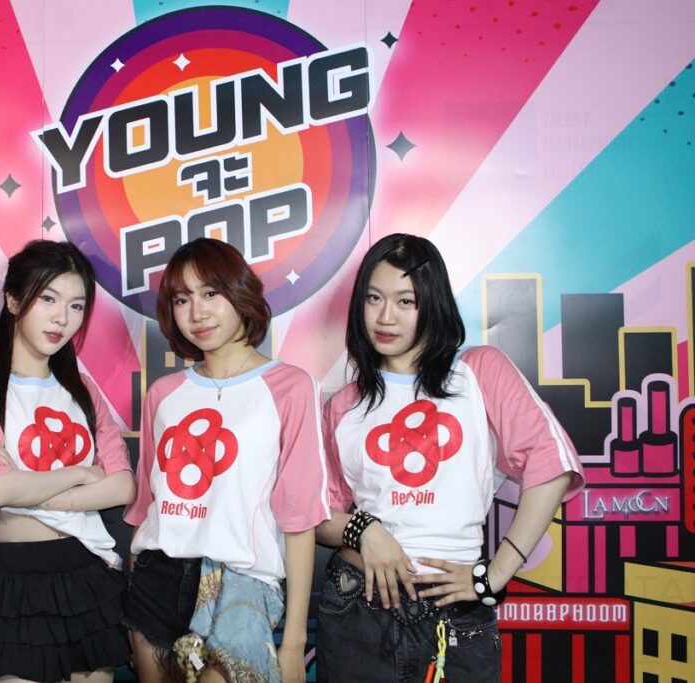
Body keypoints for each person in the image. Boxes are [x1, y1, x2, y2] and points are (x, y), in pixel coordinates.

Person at [314, 233, 585, 682]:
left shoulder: (479, 372)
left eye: (406, 301)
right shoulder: (344, 405)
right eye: (373, 298)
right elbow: (318, 514)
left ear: (432, 303)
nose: (385, 316)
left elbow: (552, 464)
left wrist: (495, 574)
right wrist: (364, 529)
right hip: (357, 609)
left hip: (454, 617)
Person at [123, 238, 329, 683]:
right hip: (158, 575)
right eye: (182, 299)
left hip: (242, 583)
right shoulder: (163, 394)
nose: (197, 312)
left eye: (211, 293)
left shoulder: (290, 387)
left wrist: (293, 644)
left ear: (240, 293)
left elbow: (299, 517)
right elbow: (145, 509)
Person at [0, 239, 135, 683]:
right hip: (19, 579)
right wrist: (80, 474)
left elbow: (122, 485)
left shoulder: (82, 388)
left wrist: (31, 488)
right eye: (48, 298)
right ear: (13, 300)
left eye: (76, 305)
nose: (61, 318)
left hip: (89, 571)